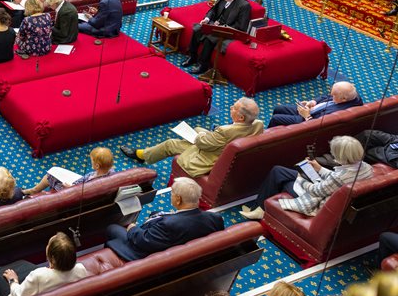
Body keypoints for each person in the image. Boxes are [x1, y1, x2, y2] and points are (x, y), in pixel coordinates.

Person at [240, 135, 372, 220]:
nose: (332, 155)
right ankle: (258, 207)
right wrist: (319, 168)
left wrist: (300, 178)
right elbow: (336, 177)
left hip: (318, 201)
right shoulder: (365, 166)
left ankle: (260, 209)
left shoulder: (340, 177)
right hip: (328, 191)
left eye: (334, 153)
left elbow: (316, 190)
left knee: (279, 175)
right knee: (278, 171)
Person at [121, 97, 263, 176]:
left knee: (171, 144)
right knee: (198, 128)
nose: (231, 108)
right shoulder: (257, 124)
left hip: (210, 157)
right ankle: (144, 154)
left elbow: (202, 143)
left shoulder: (225, 131)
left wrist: (202, 135)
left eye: (234, 107)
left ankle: (141, 155)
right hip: (223, 148)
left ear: (240, 117)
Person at [105, 177, 224, 261]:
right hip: (183, 252)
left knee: (112, 228)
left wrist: (132, 228)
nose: (170, 196)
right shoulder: (215, 218)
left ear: (178, 199)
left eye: (172, 193)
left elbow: (143, 241)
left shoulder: (168, 224)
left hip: (145, 254)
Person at [0, 232, 88, 296]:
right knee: (24, 264)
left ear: (53, 258)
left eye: (48, 245)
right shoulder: (81, 269)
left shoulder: (38, 275)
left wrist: (12, 281)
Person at [180, 0, 250, 74]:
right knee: (197, 29)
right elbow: (213, 10)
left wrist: (224, 27)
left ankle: (203, 64)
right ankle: (192, 57)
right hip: (215, 24)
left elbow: (241, 26)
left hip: (228, 30)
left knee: (210, 38)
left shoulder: (244, 6)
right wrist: (207, 19)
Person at [267, 81, 362, 127]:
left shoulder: (336, 113)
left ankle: (267, 139)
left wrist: (306, 115)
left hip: (308, 120)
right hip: (312, 110)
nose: (331, 96)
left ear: (344, 99)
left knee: (276, 119)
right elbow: (325, 97)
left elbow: (316, 125)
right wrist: (313, 102)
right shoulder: (351, 95)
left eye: (334, 95)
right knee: (278, 108)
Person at [24, 147, 115, 195]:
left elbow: (81, 192)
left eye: (92, 161)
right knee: (54, 172)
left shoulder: (93, 183)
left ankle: (34, 190)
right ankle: (34, 190)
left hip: (73, 191)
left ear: (97, 165)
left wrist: (71, 187)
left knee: (50, 175)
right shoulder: (111, 172)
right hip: (79, 183)